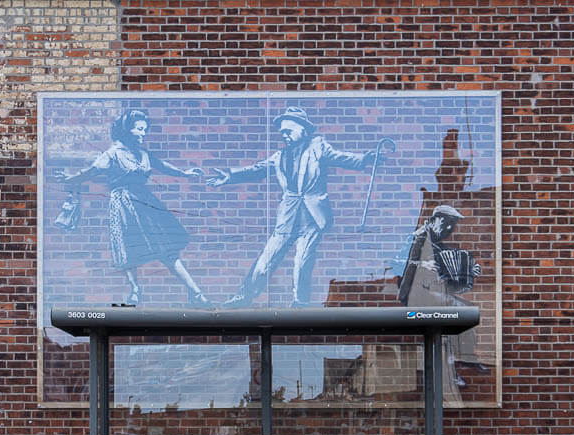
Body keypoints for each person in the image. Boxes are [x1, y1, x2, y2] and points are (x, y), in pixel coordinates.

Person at [206, 106, 384, 307]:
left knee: (302, 261)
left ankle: (300, 302)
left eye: (288, 130)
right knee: (267, 259)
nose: (284, 135)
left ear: (304, 130)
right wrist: (230, 175)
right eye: (282, 132)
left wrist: (366, 159)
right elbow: (256, 170)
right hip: (288, 215)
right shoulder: (279, 156)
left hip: (312, 216)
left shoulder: (319, 148)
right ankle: (244, 297)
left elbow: (341, 157)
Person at [53, 109, 210, 306]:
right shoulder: (112, 154)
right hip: (123, 204)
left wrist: (185, 173)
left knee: (167, 249)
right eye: (139, 129)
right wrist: (70, 178)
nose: (143, 133)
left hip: (146, 203)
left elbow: (163, 166)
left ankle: (195, 292)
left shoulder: (143, 154)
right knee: (128, 248)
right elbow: (91, 172)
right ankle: (135, 291)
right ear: (127, 130)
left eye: (145, 129)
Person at [398, 205, 481, 388]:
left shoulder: (437, 245)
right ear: (437, 219)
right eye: (447, 223)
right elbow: (396, 264)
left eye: (452, 225)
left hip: (433, 292)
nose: (449, 229)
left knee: (466, 311)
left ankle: (463, 358)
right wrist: (421, 265)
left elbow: (447, 281)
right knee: (461, 312)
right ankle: (452, 369)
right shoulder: (417, 237)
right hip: (417, 294)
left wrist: (469, 272)